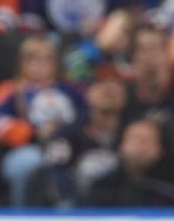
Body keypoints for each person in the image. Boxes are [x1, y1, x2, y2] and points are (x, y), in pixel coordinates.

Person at [0, 35, 85, 207]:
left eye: (47, 59)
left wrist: (65, 131)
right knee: (30, 162)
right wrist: (32, 132)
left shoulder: (70, 90)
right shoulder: (12, 90)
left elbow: (86, 115)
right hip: (29, 149)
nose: (41, 64)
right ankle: (22, 215)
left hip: (68, 146)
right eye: (33, 59)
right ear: (22, 63)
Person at [30, 78, 126, 207]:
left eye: (115, 85)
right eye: (101, 85)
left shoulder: (136, 130)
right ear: (88, 93)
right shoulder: (69, 133)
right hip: (78, 206)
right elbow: (56, 170)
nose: (108, 90)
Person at [82, 118, 174, 206]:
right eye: (135, 139)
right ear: (121, 146)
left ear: (160, 149)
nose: (140, 146)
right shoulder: (102, 189)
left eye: (147, 140)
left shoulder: (172, 191)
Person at [123, 24, 174, 125]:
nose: (149, 56)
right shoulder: (124, 96)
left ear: (167, 53)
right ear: (133, 56)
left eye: (155, 48)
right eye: (143, 49)